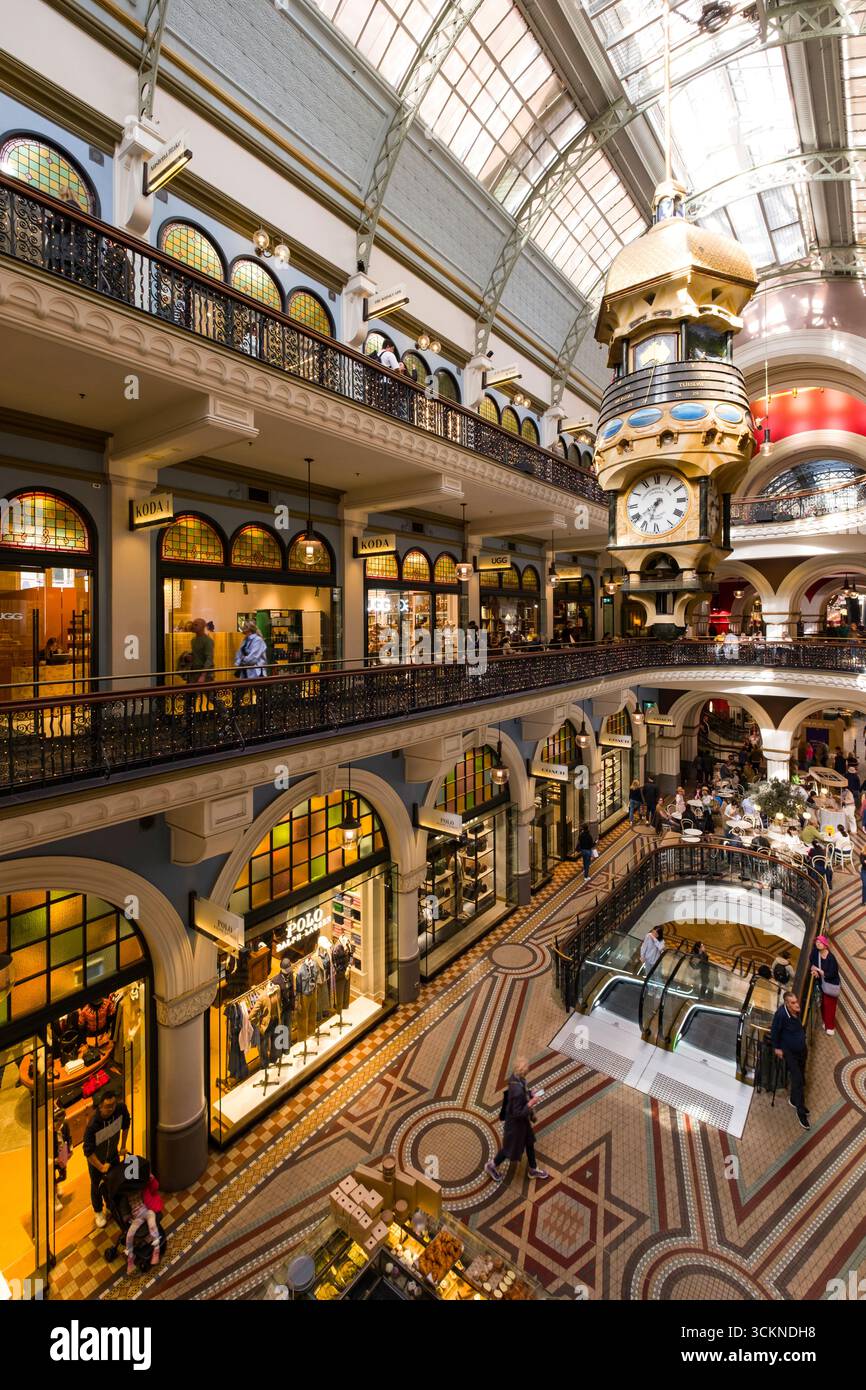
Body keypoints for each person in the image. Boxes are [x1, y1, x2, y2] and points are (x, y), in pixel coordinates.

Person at [485, 1058, 549, 1183]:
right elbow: (518, 1112)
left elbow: (521, 1096)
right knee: (508, 1149)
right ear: (523, 1072)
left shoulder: (516, 1079)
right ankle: (491, 1166)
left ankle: (533, 1168)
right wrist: (531, 1102)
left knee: (529, 1143)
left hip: (522, 1125)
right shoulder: (518, 1090)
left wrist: (530, 1093)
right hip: (516, 1127)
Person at [83, 1089, 132, 1227]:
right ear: (100, 1107)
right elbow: (88, 1152)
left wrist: (123, 1145)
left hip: (113, 1155)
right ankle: (98, 1210)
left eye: (113, 1105)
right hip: (97, 1161)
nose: (111, 1109)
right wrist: (100, 1166)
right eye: (108, 1107)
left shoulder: (120, 1109)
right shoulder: (93, 1125)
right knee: (97, 1186)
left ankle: (111, 1205)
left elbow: (126, 1124)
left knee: (114, 1182)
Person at [770, 991, 810, 1129]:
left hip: (801, 1051)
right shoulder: (781, 1015)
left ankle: (793, 1100)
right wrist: (777, 1048)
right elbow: (774, 1031)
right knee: (798, 1080)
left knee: (801, 1077)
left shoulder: (795, 1011)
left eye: (796, 1001)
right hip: (789, 1052)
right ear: (787, 1003)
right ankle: (801, 1112)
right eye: (793, 1003)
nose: (797, 1005)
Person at [125, 1171, 164, 1274]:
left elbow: (153, 1187)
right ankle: (130, 1260)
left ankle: (156, 1250)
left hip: (146, 1211)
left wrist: (150, 1177)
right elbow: (126, 1212)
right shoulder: (126, 1195)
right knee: (129, 1235)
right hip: (137, 1217)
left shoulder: (141, 1187)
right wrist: (128, 1219)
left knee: (151, 1219)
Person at [810, 934, 841, 1035]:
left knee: (830, 1006)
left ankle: (830, 1026)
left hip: (831, 985)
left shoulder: (831, 958)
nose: (818, 944)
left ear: (825, 945)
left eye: (820, 943)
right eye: (817, 942)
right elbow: (812, 962)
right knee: (823, 1005)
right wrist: (814, 971)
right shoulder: (815, 952)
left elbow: (833, 973)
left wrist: (819, 971)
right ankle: (825, 1022)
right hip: (822, 983)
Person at [53, 1104, 72, 1215]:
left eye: (60, 1121)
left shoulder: (64, 1125)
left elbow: (69, 1138)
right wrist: (52, 1160)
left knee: (63, 1176)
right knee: (50, 1180)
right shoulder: (48, 1133)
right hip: (51, 1160)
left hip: (62, 1154)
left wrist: (70, 1149)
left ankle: (55, 1185)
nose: (59, 1124)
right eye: (57, 1122)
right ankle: (53, 1197)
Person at [188, 617, 215, 683]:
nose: (193, 627)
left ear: (203, 626)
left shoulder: (208, 641)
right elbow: (196, 653)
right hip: (194, 671)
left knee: (208, 692)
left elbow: (209, 659)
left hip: (205, 673)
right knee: (190, 692)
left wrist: (203, 675)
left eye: (196, 625)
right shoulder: (193, 640)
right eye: (193, 625)